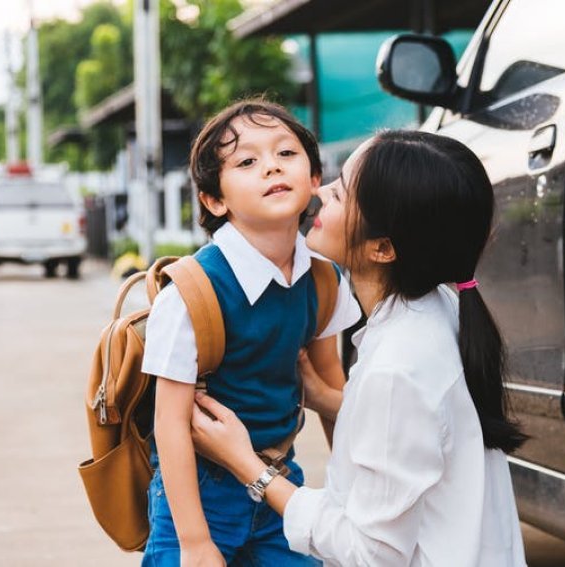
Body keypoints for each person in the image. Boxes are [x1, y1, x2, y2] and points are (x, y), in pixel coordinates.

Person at [191, 130, 529, 566]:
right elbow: (418, 434)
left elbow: (372, 553)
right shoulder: (439, 309)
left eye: (343, 192)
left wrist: (246, 466)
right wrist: (325, 399)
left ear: (383, 248)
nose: (324, 189)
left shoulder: (399, 365)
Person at [140, 98, 362, 566]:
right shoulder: (191, 292)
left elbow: (330, 392)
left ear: (315, 178)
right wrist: (196, 543)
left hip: (282, 483)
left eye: (286, 154)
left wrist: (352, 495)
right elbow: (171, 426)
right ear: (214, 199)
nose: (270, 168)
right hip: (200, 494)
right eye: (246, 161)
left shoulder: (324, 280)